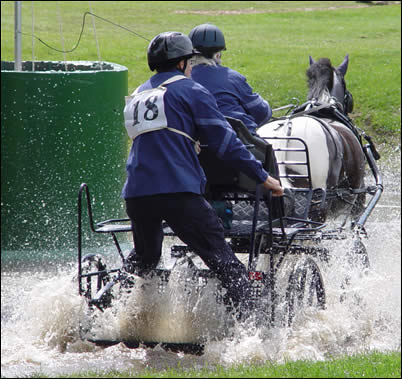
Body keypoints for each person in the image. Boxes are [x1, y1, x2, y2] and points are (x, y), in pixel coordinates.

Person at [122, 31, 283, 316]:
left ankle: (108, 303)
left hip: (136, 193)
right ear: (183, 63)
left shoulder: (137, 94)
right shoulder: (191, 90)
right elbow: (225, 142)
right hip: (177, 191)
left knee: (145, 258)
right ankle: (252, 330)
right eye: (190, 63)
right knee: (221, 258)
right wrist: (262, 176)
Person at [189, 23, 272, 135]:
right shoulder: (232, 78)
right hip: (240, 144)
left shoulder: (182, 79)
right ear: (218, 54)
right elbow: (262, 113)